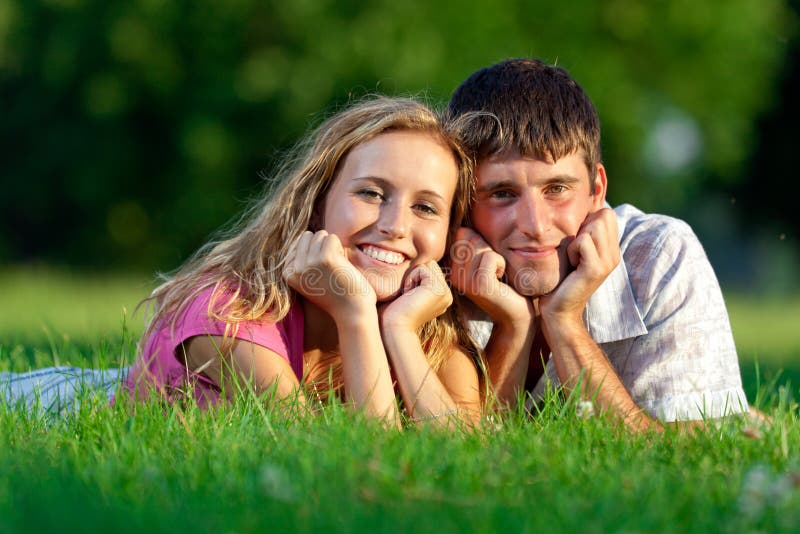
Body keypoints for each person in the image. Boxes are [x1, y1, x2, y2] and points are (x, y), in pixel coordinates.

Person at [3, 97, 482, 427]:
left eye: (425, 207)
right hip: (60, 402)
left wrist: (398, 330)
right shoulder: (227, 312)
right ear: (317, 202)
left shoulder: (424, 322)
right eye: (371, 193)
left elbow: (463, 456)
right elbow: (357, 459)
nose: (396, 225)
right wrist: (355, 314)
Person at [446, 58, 749, 430]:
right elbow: (465, 446)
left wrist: (564, 320)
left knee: (740, 426)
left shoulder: (659, 254)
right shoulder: (437, 268)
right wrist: (513, 325)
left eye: (556, 189)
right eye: (502, 193)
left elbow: (682, 460)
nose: (535, 225)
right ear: (462, 202)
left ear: (596, 191)